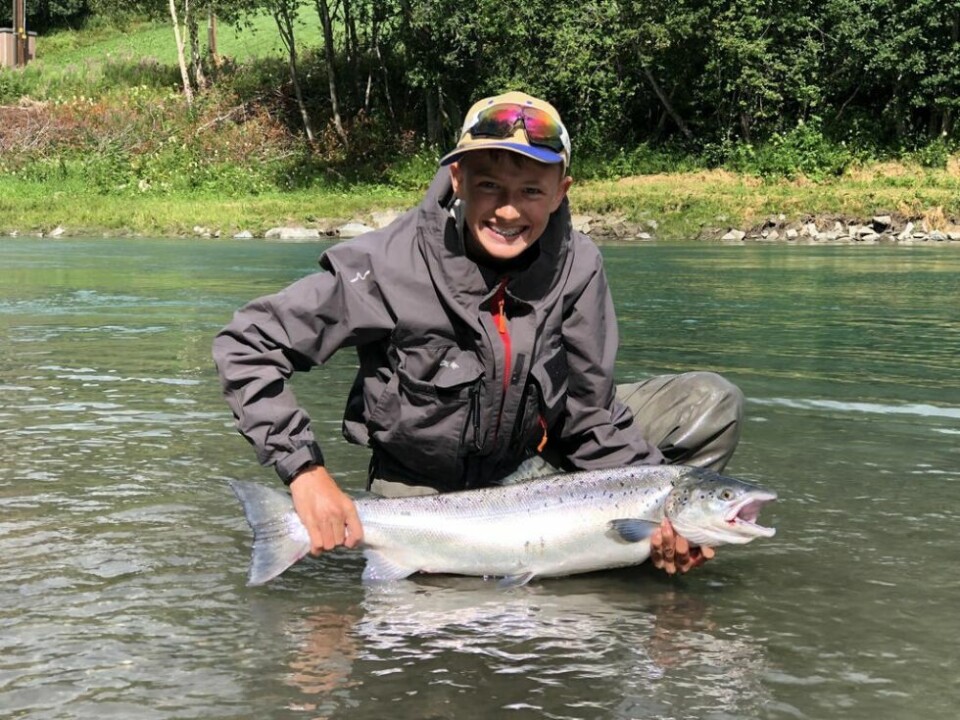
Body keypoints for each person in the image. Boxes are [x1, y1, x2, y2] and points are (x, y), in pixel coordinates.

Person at [213, 91, 743, 577]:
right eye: (488, 185)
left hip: (535, 465)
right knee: (433, 629)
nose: (508, 210)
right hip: (422, 484)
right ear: (458, 180)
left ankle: (645, 541)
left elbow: (591, 413)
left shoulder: (578, 266)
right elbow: (247, 343)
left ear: (561, 192)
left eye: (531, 190)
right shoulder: (387, 264)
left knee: (710, 403)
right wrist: (304, 473)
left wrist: (660, 517)